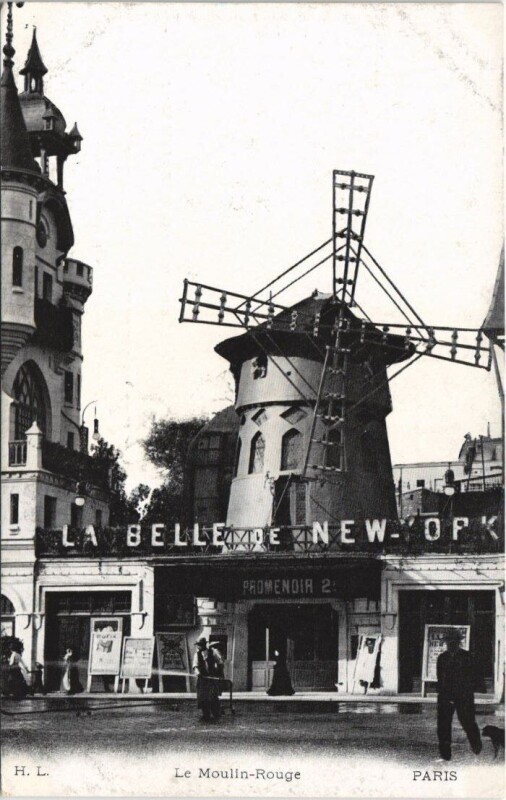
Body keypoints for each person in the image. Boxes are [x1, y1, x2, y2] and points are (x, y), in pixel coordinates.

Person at [436, 628, 482, 761]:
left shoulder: (467, 657)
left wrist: (465, 692)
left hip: (463, 696)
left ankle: (476, 743)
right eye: (448, 642)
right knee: (443, 724)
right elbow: (440, 678)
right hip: (445, 696)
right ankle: (445, 752)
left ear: (458, 642)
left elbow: (473, 677)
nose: (450, 645)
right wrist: (443, 694)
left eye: (453, 642)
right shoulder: (442, 658)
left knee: (467, 721)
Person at [192, 637, 223, 722]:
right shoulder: (197, 654)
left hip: (212, 679)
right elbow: (195, 666)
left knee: (213, 696)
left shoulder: (212, 652)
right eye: (198, 645)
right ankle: (206, 715)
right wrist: (198, 673)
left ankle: (216, 714)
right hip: (202, 679)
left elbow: (220, 662)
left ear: (204, 644)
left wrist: (218, 673)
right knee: (203, 697)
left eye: (200, 645)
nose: (198, 646)